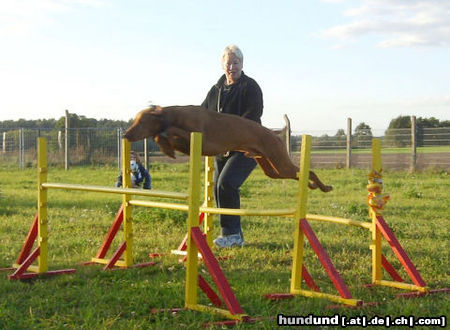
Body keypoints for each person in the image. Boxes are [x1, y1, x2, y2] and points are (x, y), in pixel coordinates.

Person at [201, 45, 263, 248]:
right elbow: (203, 112)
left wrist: (231, 133)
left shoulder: (251, 87)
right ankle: (231, 234)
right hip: (222, 148)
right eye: (228, 63)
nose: (232, 66)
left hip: (248, 146)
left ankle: (233, 234)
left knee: (227, 183)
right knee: (219, 188)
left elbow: (253, 115)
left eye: (236, 62)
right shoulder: (216, 90)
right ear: (222, 65)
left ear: (242, 64)